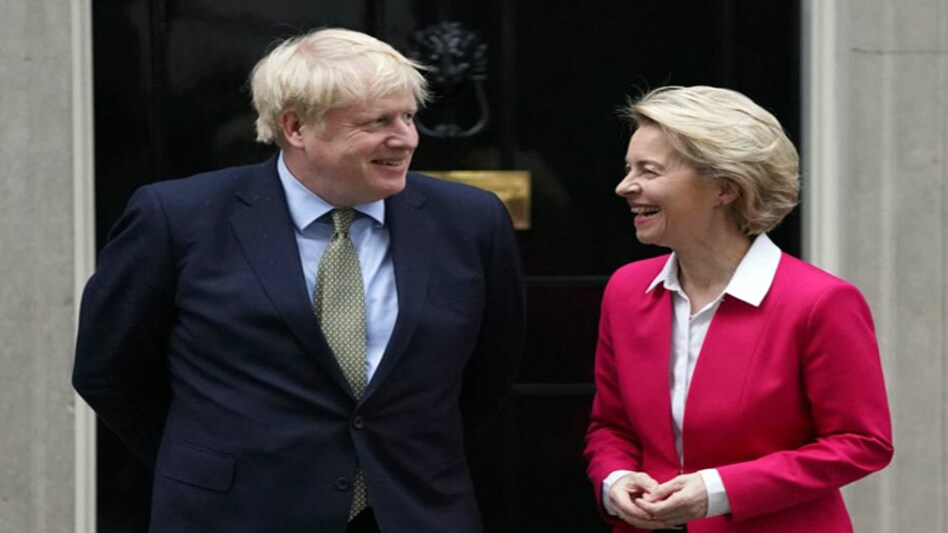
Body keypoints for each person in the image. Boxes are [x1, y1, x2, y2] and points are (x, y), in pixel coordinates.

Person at [73, 28, 525, 533]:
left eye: (408, 116)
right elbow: (107, 369)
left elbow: (491, 371)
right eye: (378, 122)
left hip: (414, 513)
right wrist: (209, 463)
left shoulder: (470, 221)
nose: (406, 138)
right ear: (296, 127)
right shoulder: (177, 218)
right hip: (234, 516)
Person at [584, 85, 893, 532]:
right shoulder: (626, 290)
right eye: (629, 169)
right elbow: (611, 427)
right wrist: (614, 480)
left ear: (724, 187)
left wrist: (718, 490)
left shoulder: (819, 302)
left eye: (648, 170)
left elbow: (861, 442)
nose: (625, 186)